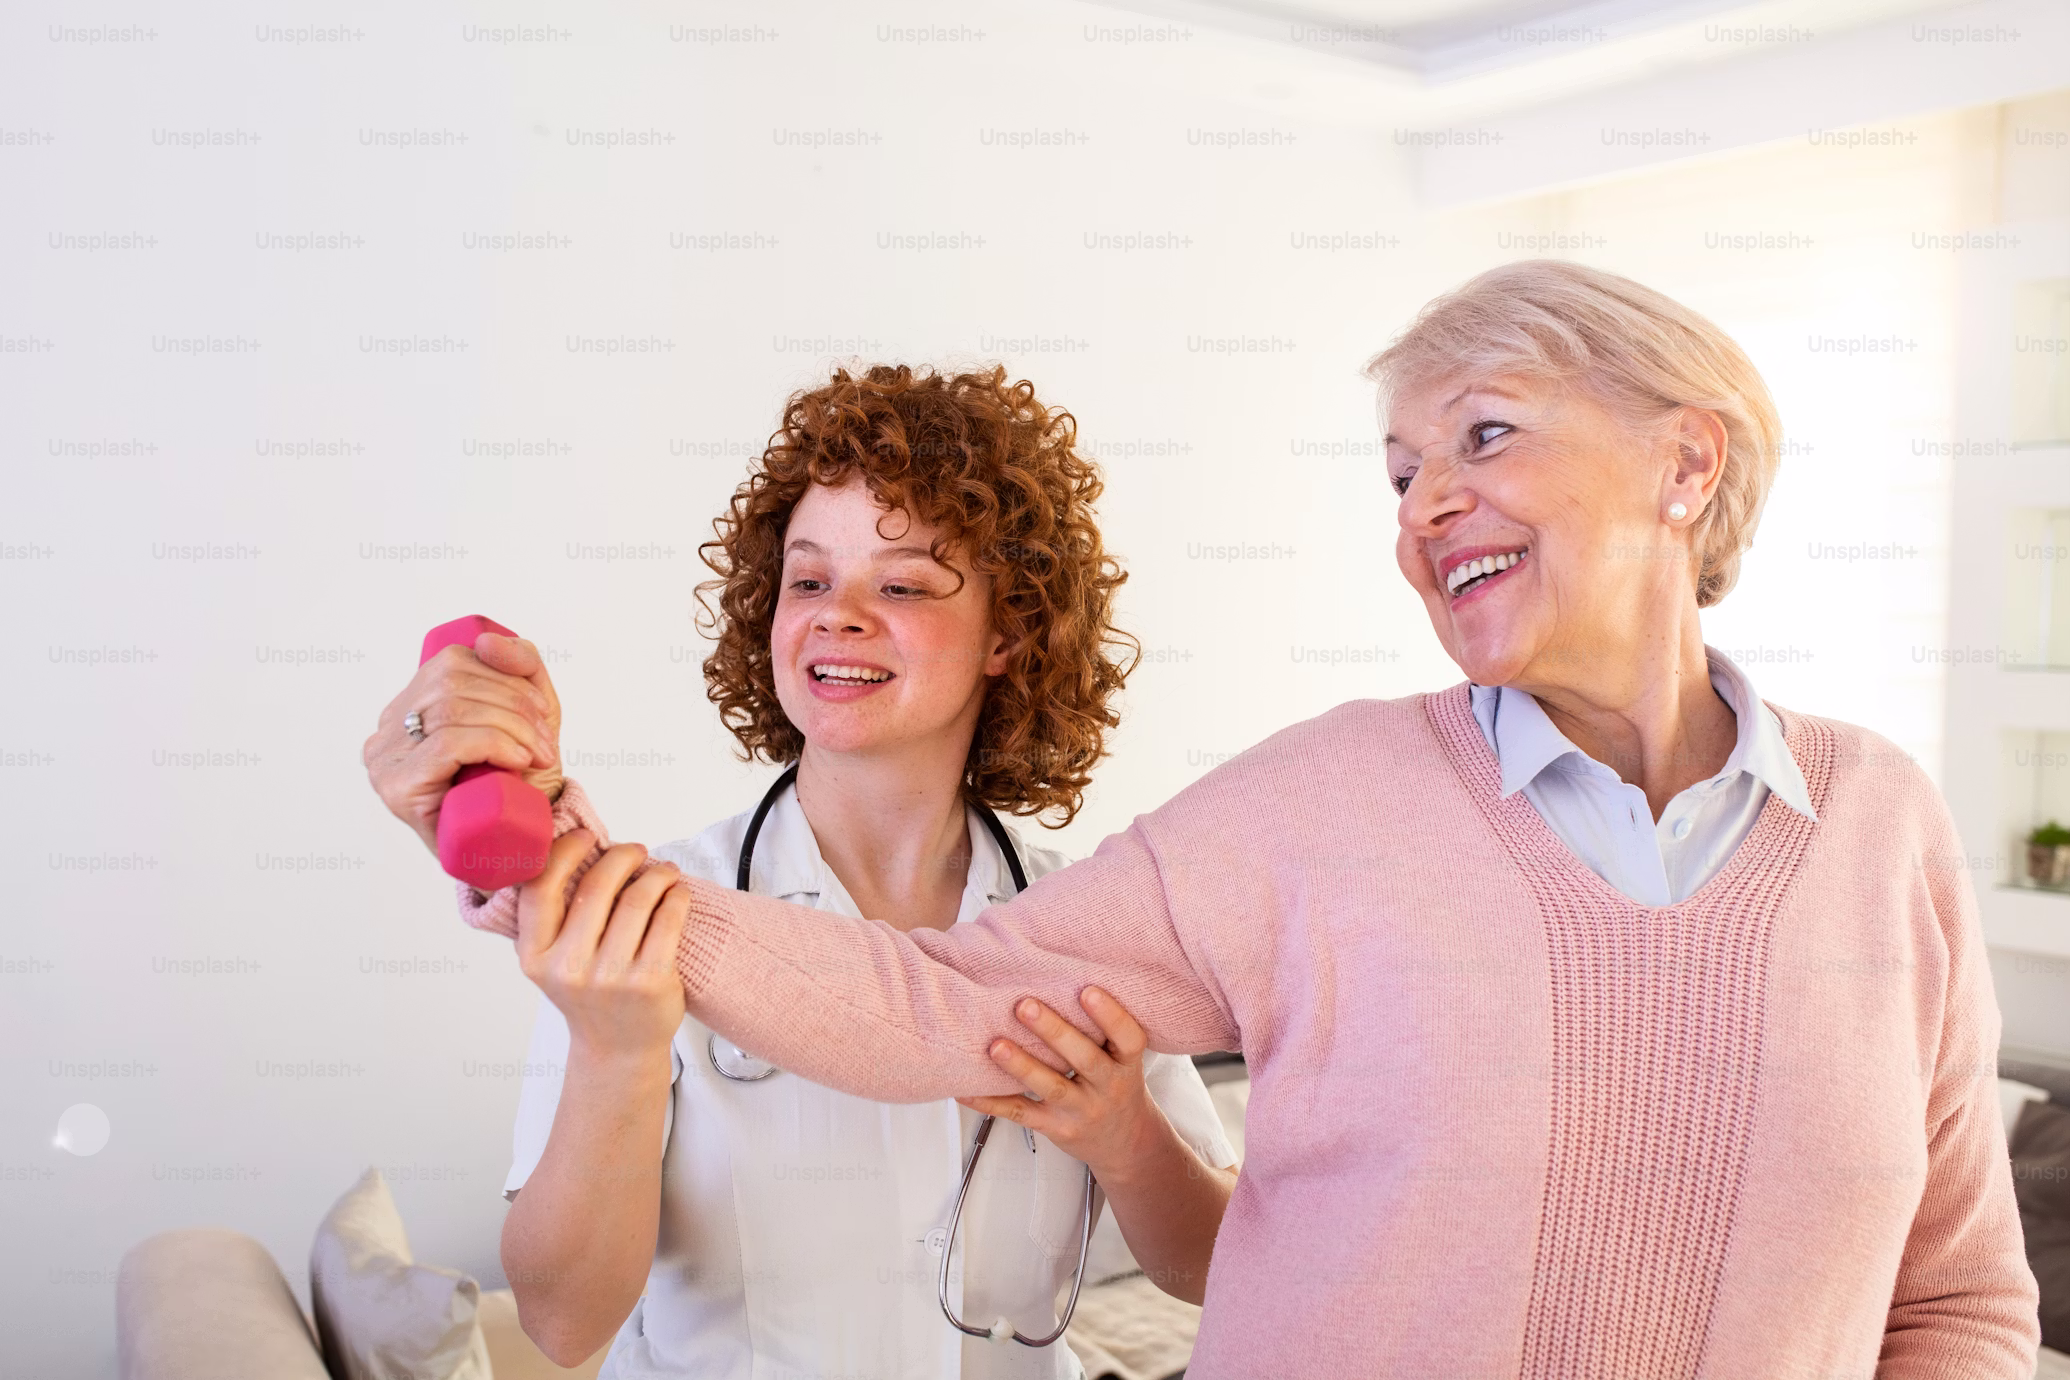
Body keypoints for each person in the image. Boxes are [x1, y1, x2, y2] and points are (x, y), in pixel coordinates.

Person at [378, 263, 2041, 1378]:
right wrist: (551, 861)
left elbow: (1958, 1299)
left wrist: (1119, 1133)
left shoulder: (1882, 826)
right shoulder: (1309, 812)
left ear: (1691, 464)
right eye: (1398, 471)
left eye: (1481, 436)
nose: (1427, 501)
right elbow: (918, 1008)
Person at [364, 364, 1238, 1379]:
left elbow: (1214, 1266)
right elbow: (563, 1324)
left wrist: (1122, 1132)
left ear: (1008, 633)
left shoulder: (1086, 921)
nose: (838, 614)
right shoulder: (646, 920)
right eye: (809, 579)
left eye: (902, 584)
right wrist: (618, 1052)